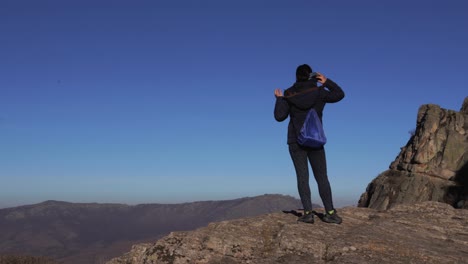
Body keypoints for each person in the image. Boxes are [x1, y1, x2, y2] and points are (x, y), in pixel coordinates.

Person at [274, 64, 345, 224]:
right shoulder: (319, 92)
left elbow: (279, 116)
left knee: (302, 177)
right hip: (315, 140)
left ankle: (307, 213)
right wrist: (326, 81)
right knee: (322, 177)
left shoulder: (289, 93)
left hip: (295, 141)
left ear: (297, 77)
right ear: (312, 76)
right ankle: (331, 213)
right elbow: (339, 94)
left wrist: (279, 100)